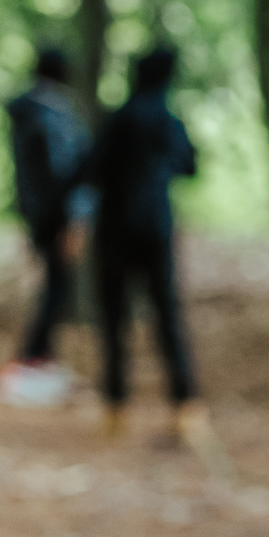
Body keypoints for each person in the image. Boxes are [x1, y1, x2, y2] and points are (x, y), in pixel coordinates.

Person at [91, 46, 207, 444]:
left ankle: (115, 406)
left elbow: (93, 168)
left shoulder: (119, 119)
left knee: (114, 319)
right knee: (167, 316)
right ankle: (184, 406)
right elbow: (190, 165)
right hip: (156, 228)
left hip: (115, 231)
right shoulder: (168, 120)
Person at [0, 47, 94, 407]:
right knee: (57, 286)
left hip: (35, 213)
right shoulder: (55, 114)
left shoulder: (26, 111)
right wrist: (75, 218)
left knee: (54, 284)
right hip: (56, 215)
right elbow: (67, 169)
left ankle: (39, 357)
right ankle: (34, 357)